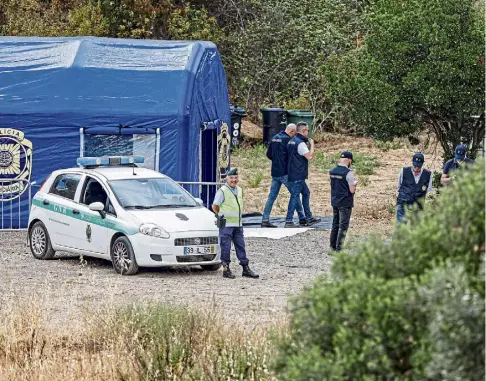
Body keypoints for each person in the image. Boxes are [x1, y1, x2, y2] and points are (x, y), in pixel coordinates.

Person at [212, 168, 259, 279]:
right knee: (226, 247)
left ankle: (245, 268)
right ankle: (226, 269)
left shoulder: (239, 190)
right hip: (226, 224)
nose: (234, 180)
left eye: (236, 178)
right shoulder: (222, 191)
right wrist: (221, 215)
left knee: (241, 246)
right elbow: (215, 206)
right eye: (231, 178)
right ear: (227, 179)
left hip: (238, 224)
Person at [261, 123, 306, 227]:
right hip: (285, 173)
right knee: (295, 194)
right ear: (291, 131)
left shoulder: (274, 138)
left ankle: (265, 219)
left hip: (275, 172)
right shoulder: (288, 140)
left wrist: (277, 162)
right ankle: (302, 217)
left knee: (271, 197)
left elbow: (269, 154)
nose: (294, 136)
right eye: (294, 133)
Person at [285, 121, 321, 228]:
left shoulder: (291, 141)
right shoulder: (300, 143)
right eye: (307, 131)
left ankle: (308, 218)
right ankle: (289, 220)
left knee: (306, 193)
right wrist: (312, 145)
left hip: (292, 173)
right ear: (303, 131)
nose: (308, 133)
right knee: (295, 197)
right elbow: (309, 156)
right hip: (298, 174)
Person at [329, 151, 358, 252]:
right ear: (349, 160)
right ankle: (339, 249)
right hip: (345, 202)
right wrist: (355, 184)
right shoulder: (348, 173)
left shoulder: (332, 171)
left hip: (335, 200)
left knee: (335, 224)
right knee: (343, 226)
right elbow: (352, 190)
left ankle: (332, 247)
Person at [396, 152, 433, 222]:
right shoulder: (403, 171)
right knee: (401, 228)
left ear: (422, 164)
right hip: (403, 204)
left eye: (419, 167)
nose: (416, 169)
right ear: (412, 162)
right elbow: (399, 186)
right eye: (415, 166)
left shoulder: (428, 174)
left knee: (415, 229)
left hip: (418, 207)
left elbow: (428, 191)